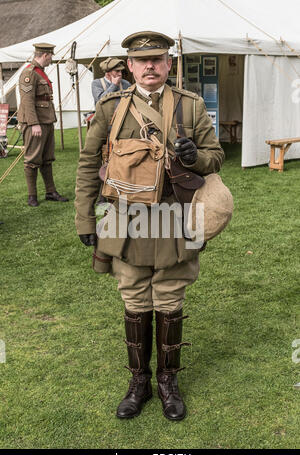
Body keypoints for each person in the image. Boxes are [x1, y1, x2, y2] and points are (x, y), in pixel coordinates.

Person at [75, 31, 224, 421]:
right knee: (135, 296)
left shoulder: (190, 106)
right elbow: (90, 163)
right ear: (130, 66)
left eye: (158, 59)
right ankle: (138, 381)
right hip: (124, 217)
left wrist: (195, 158)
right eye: (142, 61)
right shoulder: (110, 107)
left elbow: (216, 156)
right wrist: (84, 217)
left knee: (170, 295)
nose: (150, 66)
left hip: (174, 216)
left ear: (169, 64)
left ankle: (168, 382)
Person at [18, 43, 68, 207]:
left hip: (46, 120)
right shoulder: (29, 73)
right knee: (32, 160)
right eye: (51, 57)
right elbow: (27, 101)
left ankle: (50, 191)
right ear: (45, 55)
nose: (51, 60)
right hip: (36, 123)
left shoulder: (40, 73)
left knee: (47, 159)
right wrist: (33, 124)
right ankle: (32, 195)